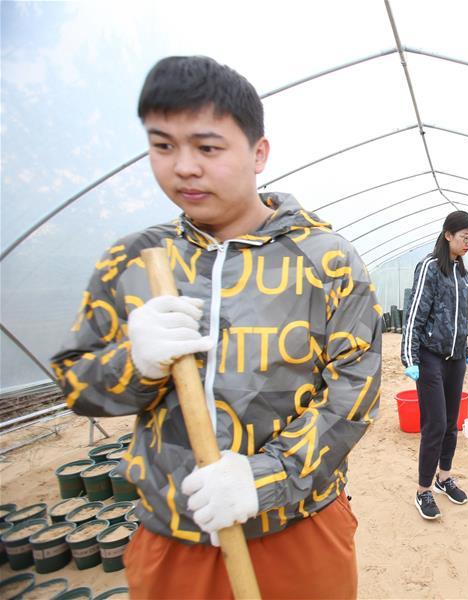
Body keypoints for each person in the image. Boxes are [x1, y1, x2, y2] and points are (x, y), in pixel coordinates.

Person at [50, 56, 381, 599]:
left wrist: (267, 476)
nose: (183, 167)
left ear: (258, 153)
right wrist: (134, 363)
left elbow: (354, 393)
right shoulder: (134, 261)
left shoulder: (327, 261)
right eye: (162, 146)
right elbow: (76, 384)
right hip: (174, 536)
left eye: (207, 147)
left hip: (296, 528)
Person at [400, 211, 468, 520]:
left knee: (451, 424)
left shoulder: (464, 274)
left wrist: (466, 349)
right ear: (448, 235)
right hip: (430, 357)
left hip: (455, 357)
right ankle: (423, 491)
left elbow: (461, 318)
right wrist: (411, 358)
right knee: (434, 425)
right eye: (464, 238)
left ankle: (444, 478)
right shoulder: (430, 267)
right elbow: (415, 313)